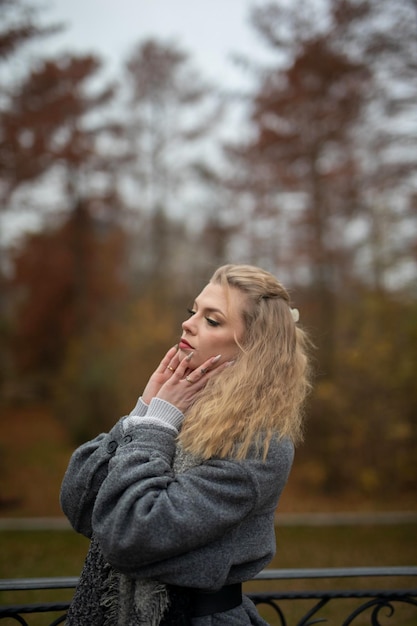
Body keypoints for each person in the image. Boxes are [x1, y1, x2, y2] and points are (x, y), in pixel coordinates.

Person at [60, 263, 312, 626]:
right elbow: (80, 502)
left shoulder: (258, 444)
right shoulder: (176, 409)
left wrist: (156, 425)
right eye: (192, 311)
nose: (188, 324)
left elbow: (131, 534)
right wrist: (143, 410)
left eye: (213, 320)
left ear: (253, 348)